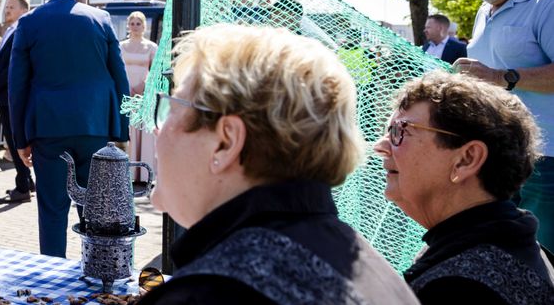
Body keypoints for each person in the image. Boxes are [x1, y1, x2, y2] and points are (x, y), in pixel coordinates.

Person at [139, 24, 417, 304]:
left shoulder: (213, 292)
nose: (156, 131)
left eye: (170, 110)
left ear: (226, 141)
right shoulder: (383, 279)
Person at [374, 71, 554, 303]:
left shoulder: (459, 289)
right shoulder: (507, 245)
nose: (380, 146)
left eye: (400, 131)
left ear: (466, 159)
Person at [8, 0, 130, 257]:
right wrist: (122, 132)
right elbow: (120, 79)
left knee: (51, 210)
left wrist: (21, 141)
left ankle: (53, 284)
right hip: (94, 130)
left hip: (48, 130)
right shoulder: (100, 20)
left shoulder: (29, 22)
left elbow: (17, 87)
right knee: (96, 211)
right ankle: (98, 275)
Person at [451, 0, 554, 250]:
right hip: (501, 152)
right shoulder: (484, 11)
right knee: (509, 252)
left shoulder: (547, 2)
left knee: (545, 254)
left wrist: (501, 77)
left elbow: (500, 76)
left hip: (547, 159)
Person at [0, 0, 35, 204]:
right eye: (6, 7)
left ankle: (22, 187)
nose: (7, 10)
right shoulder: (10, 30)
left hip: (10, 95)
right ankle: (27, 181)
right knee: (13, 139)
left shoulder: (20, 31)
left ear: (23, 10)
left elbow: (15, 68)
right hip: (5, 94)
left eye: (12, 7)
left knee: (15, 141)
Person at [121, 11, 158, 180]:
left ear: (144, 26)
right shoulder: (120, 46)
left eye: (139, 23)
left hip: (143, 94)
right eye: (132, 23)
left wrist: (143, 87)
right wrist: (125, 88)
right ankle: (127, 173)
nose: (135, 26)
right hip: (125, 93)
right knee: (127, 130)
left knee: (142, 131)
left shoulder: (151, 47)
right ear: (128, 25)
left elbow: (155, 72)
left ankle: (143, 175)